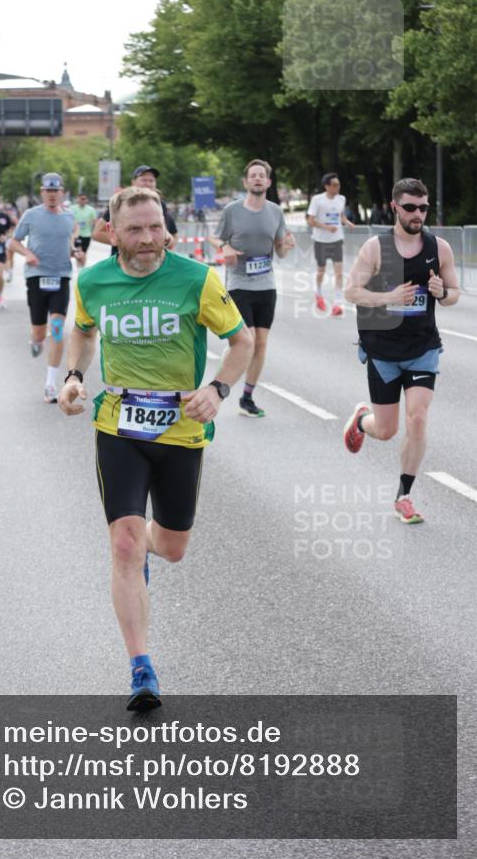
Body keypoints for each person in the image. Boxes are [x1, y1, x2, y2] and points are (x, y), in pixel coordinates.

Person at [58, 186, 252, 711]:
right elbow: (81, 331)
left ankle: (147, 538)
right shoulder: (94, 280)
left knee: (169, 548)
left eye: (155, 227)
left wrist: (217, 389)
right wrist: (74, 375)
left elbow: (242, 342)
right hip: (119, 424)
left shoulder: (196, 279)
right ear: (113, 233)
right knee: (123, 544)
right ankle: (141, 667)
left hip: (181, 429)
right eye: (136, 230)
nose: (148, 239)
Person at [343, 178, 460, 524]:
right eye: (410, 207)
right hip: (382, 349)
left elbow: (455, 294)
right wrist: (388, 298)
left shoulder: (439, 248)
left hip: (423, 347)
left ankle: (404, 495)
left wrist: (442, 293)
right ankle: (362, 422)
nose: (418, 214)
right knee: (387, 430)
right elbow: (352, 292)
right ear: (395, 207)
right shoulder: (376, 248)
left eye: (423, 208)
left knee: (419, 417)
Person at [210, 158, 295, 418]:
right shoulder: (233, 211)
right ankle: (219, 388)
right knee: (246, 340)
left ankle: (247, 397)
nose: (258, 179)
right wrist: (225, 248)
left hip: (266, 284)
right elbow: (214, 237)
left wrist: (287, 245)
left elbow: (279, 251)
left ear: (268, 182)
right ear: (247, 182)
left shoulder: (276, 212)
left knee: (261, 344)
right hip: (238, 283)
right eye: (253, 175)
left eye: (262, 175)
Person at [10, 173, 77, 402]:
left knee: (57, 328)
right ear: (42, 192)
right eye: (47, 191)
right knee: (40, 331)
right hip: (37, 277)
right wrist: (27, 253)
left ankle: (50, 384)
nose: (51, 195)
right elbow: (13, 241)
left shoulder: (69, 216)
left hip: (61, 277)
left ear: (62, 192)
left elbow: (68, 240)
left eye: (55, 191)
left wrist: (74, 251)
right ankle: (36, 340)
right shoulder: (31, 215)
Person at [92, 166, 178, 254]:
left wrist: (167, 240)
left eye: (151, 180)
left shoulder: (160, 205)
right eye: (144, 180)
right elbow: (97, 233)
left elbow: (173, 236)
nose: (148, 184)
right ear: (133, 182)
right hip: (124, 263)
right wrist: (127, 244)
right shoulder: (122, 203)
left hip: (155, 264)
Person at [307, 173, 355, 316]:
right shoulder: (317, 200)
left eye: (338, 185)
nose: (337, 187)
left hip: (337, 240)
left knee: (339, 273)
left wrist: (347, 222)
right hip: (321, 241)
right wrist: (327, 227)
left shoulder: (341, 199)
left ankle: (338, 304)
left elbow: (341, 216)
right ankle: (318, 293)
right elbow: (310, 221)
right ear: (327, 186)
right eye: (334, 185)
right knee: (321, 271)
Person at [70, 192, 97, 269]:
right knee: (79, 251)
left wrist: (91, 222)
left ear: (87, 200)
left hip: (87, 234)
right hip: (76, 235)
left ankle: (82, 268)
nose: (83, 200)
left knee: (84, 253)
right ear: (78, 199)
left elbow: (95, 221)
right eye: (81, 199)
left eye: (84, 199)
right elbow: (68, 219)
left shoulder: (91, 209)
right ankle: (79, 267)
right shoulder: (72, 208)